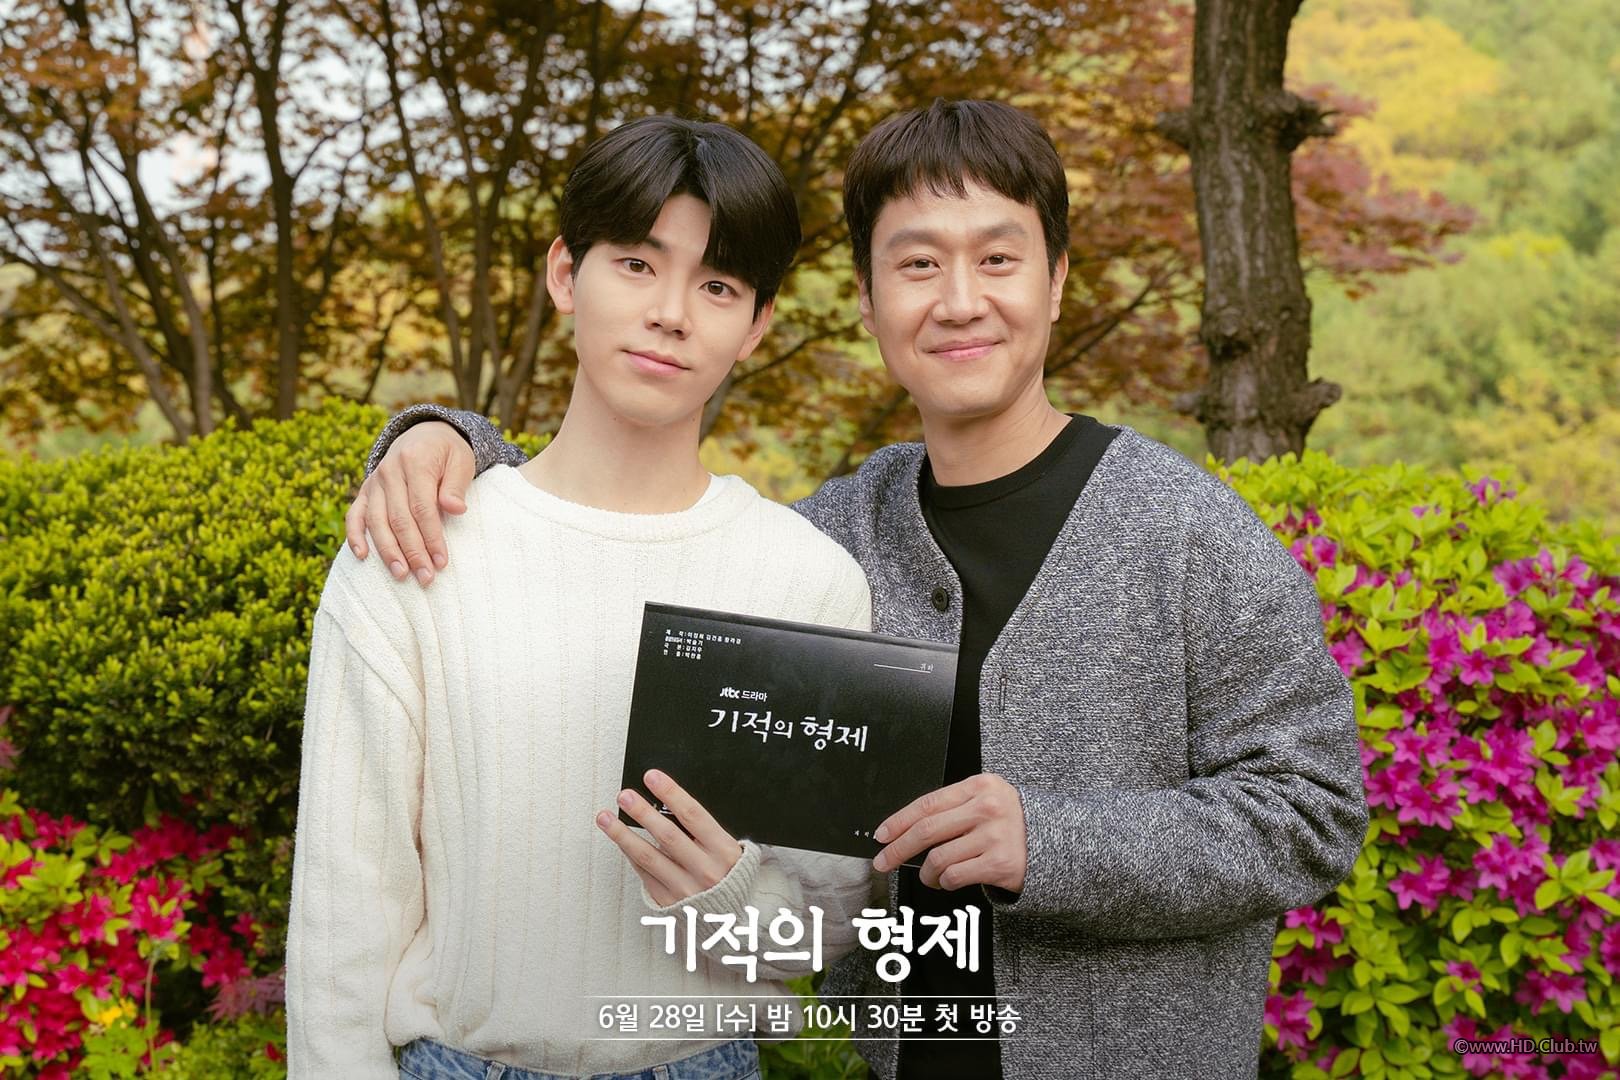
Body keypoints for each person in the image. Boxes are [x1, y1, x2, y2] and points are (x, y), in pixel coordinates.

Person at [346, 100, 1369, 1080]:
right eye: (918, 263)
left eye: (998, 259)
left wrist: (1054, 842)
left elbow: (1315, 809)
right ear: (870, 303)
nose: (959, 300)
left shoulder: (1188, 531)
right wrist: (449, 441)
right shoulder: (834, 537)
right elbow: (634, 526)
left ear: (1057, 281)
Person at [287, 115, 880, 1080]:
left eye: (718, 286)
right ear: (566, 273)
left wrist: (726, 896)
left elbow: (824, 936)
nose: (672, 313)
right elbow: (344, 906)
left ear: (757, 325)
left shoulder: (807, 581)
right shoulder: (418, 543)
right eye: (637, 265)